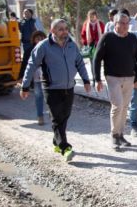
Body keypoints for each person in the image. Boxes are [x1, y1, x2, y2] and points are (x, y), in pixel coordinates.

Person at [20, 19, 91, 162]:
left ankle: (56, 141)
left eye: (66, 28)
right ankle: (65, 148)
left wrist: (86, 80)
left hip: (69, 87)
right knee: (57, 118)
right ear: (53, 31)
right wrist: (25, 86)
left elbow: (79, 63)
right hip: (51, 88)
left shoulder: (72, 45)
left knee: (64, 116)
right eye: (60, 29)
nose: (64, 31)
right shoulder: (44, 46)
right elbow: (31, 65)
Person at [93, 13, 137, 149]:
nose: (125, 26)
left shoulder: (131, 38)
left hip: (129, 77)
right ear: (115, 24)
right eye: (122, 23)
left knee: (124, 107)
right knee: (117, 105)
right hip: (112, 77)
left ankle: (120, 134)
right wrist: (97, 79)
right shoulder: (107, 38)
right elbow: (97, 58)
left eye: (127, 23)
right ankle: (114, 135)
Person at [18, 30, 47, 126]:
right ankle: (40, 116)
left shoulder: (49, 48)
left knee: (50, 97)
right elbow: (25, 65)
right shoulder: (30, 50)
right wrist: (21, 77)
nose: (40, 40)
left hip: (48, 77)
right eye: (37, 39)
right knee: (38, 96)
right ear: (34, 40)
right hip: (36, 77)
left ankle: (53, 116)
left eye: (42, 38)